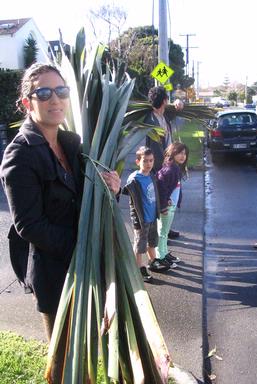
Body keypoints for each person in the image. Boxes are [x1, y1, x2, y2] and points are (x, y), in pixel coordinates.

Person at [0, 62, 120, 383]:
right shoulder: (20, 155)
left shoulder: (72, 144)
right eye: (43, 92)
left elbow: (88, 200)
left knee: (87, 353)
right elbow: (29, 225)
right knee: (66, 362)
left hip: (86, 266)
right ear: (27, 102)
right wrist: (82, 246)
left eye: (61, 91)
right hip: (56, 276)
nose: (55, 99)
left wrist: (110, 189)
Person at [123, 146, 171, 283]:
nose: (149, 164)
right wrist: (136, 219)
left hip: (152, 216)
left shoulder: (151, 176)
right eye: (145, 161)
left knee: (152, 241)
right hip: (141, 218)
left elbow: (155, 194)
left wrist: (162, 205)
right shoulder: (134, 179)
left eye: (151, 161)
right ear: (138, 162)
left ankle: (152, 260)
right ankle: (138, 267)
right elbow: (131, 200)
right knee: (140, 244)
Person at [145, 86, 184, 239]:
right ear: (164, 101)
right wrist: (165, 166)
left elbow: (178, 107)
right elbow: (154, 150)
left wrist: (179, 102)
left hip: (167, 167)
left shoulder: (163, 115)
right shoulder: (150, 120)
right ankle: (160, 234)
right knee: (160, 200)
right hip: (159, 168)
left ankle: (166, 229)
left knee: (168, 199)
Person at [155, 141, 189, 265]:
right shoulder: (171, 169)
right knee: (162, 232)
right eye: (179, 153)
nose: (182, 156)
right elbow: (160, 185)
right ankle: (160, 256)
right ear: (172, 153)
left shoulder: (175, 168)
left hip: (171, 206)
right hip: (166, 207)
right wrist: (163, 205)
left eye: (184, 154)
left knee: (165, 231)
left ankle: (164, 253)